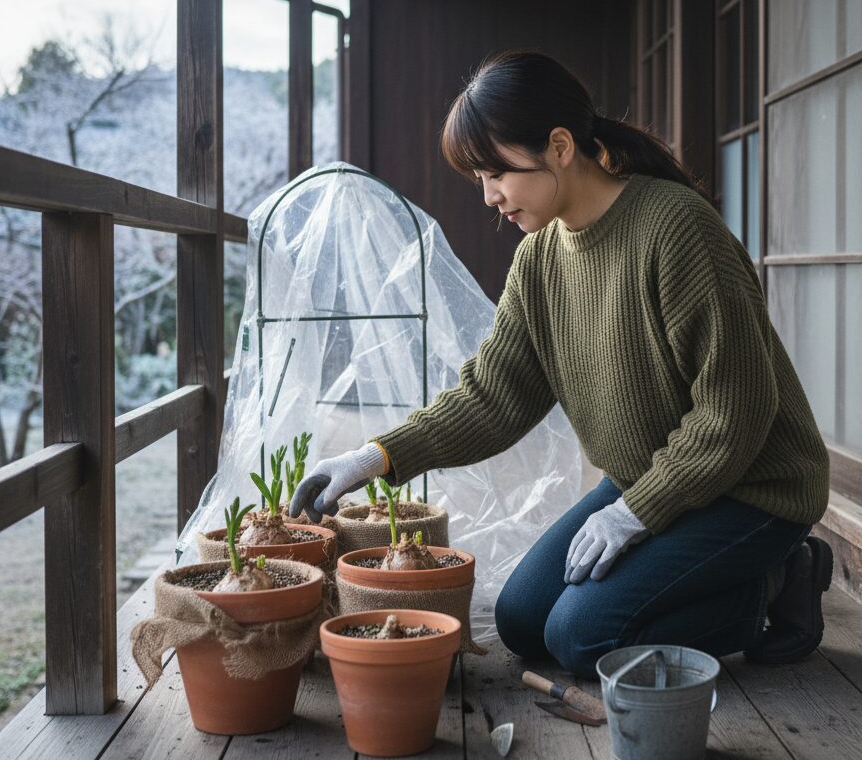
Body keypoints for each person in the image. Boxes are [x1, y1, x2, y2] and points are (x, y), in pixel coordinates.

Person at [290, 49, 833, 677]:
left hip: (751, 488)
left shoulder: (677, 229)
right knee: (525, 623)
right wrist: (372, 457)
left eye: (497, 172)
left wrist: (633, 515)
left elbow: (734, 414)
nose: (490, 196)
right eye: (479, 179)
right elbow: (492, 399)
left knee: (583, 640)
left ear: (558, 146)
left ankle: (776, 583)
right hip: (648, 479)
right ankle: (708, 577)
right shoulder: (539, 260)